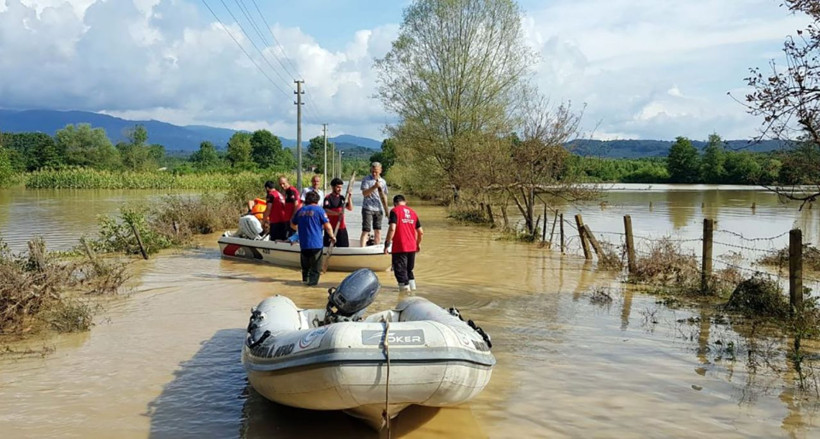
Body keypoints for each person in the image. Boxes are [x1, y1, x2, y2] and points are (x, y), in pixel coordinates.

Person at [291, 191, 335, 286]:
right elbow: (327, 226)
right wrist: (332, 236)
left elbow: (293, 224)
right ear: (317, 201)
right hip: (316, 244)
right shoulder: (319, 210)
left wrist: (300, 231)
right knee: (315, 269)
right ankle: (312, 287)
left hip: (304, 244)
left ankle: (304, 283)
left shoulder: (300, 211)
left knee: (305, 268)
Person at [384, 194, 423, 292]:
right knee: (409, 271)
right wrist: (418, 244)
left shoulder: (394, 211)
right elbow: (421, 232)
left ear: (394, 203)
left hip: (400, 247)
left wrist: (387, 243)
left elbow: (392, 228)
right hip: (412, 247)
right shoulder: (413, 213)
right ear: (405, 202)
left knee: (401, 273)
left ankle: (404, 296)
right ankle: (413, 292)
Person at [360, 161, 387, 246]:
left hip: (378, 209)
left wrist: (387, 210)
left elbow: (384, 196)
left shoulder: (383, 182)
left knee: (378, 230)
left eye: (376, 171)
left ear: (380, 171)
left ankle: (376, 247)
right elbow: (365, 193)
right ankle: (362, 249)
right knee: (366, 230)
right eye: (373, 171)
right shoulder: (366, 179)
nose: (374, 173)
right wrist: (374, 187)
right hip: (367, 208)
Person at [323, 177, 353, 247]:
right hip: (330, 228)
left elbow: (350, 208)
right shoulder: (328, 198)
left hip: (341, 227)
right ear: (333, 187)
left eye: (341, 187)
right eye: (338, 187)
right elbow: (326, 211)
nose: (340, 189)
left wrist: (349, 198)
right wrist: (337, 213)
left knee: (344, 247)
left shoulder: (342, 198)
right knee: (328, 246)